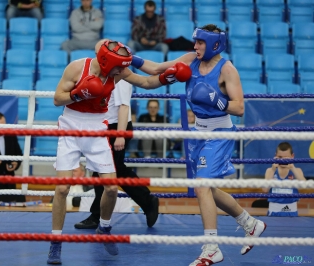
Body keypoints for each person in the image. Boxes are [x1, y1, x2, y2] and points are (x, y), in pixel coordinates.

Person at [129, 24, 267, 265]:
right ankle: (250, 223)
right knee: (208, 189)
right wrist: (130, 59)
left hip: (221, 131)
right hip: (199, 132)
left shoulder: (227, 70)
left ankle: (212, 247)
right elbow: (156, 69)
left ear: (215, 44)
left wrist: (217, 101)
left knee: (202, 186)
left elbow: (240, 107)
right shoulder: (191, 59)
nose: (195, 46)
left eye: (200, 43)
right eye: (196, 42)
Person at [47, 39, 191, 264]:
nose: (122, 70)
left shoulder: (117, 73)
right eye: (118, 66)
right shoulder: (76, 67)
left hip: (97, 127)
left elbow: (146, 82)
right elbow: (57, 99)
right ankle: (56, 242)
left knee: (112, 188)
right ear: (106, 62)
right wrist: (79, 93)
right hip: (71, 126)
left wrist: (166, 78)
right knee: (63, 188)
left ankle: (104, 228)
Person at [74, 76, 159, 230]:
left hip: (117, 128)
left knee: (108, 170)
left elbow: (124, 107)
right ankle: (146, 201)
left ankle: (97, 216)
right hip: (107, 127)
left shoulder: (121, 78)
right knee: (110, 170)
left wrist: (120, 134)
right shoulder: (108, 76)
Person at [263, 142, 306, 217]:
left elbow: (304, 188)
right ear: (275, 156)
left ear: (292, 156)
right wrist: (273, 169)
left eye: (286, 158)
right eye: (280, 157)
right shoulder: (270, 171)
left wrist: (293, 168)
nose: (282, 160)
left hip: (291, 212)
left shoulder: (297, 171)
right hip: (273, 212)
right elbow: (264, 189)